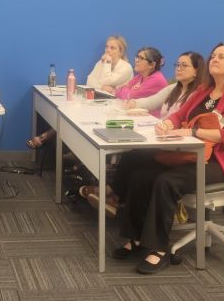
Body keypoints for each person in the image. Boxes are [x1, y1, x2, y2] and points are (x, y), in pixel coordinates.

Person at [113, 43, 224, 274]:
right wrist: (168, 123)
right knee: (139, 175)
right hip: (191, 154)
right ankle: (135, 238)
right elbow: (180, 114)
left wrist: (192, 132)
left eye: (222, 57)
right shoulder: (204, 90)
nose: (214, 59)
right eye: (213, 56)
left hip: (221, 162)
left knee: (166, 181)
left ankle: (159, 249)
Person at [83, 52, 207, 214]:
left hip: (177, 143)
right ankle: (114, 197)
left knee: (134, 156)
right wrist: (135, 103)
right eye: (177, 65)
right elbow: (151, 101)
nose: (179, 69)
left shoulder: (196, 94)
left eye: (184, 65)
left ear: (197, 71)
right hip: (161, 136)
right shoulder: (174, 88)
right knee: (132, 155)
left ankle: (112, 195)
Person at [27, 35, 132, 149]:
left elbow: (106, 80)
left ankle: (45, 137)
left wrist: (106, 64)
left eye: (113, 48)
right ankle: (48, 138)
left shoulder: (125, 67)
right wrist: (102, 86)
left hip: (116, 108)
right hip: (99, 101)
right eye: (106, 47)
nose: (108, 50)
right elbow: (90, 81)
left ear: (121, 52)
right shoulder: (101, 63)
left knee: (78, 119)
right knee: (70, 116)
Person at [103, 47, 168, 116]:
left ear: (152, 65)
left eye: (141, 58)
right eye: (137, 57)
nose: (137, 60)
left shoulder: (156, 79)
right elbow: (120, 90)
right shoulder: (141, 76)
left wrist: (123, 90)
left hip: (152, 120)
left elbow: (130, 97)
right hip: (138, 115)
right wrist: (123, 90)